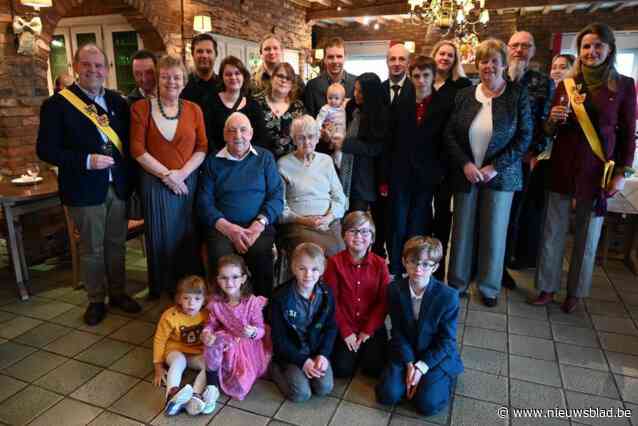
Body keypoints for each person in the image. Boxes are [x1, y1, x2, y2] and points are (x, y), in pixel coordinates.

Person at [531, 23, 636, 313]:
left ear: (610, 49)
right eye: (586, 47)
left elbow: (628, 134)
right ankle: (547, 287)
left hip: (596, 171)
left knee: (587, 235)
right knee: (552, 232)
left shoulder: (624, 85)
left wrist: (621, 174)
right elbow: (548, 132)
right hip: (563, 166)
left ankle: (576, 291)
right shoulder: (567, 84)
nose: (591, 52)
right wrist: (552, 120)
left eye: (597, 46)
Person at [37, 43, 141, 326]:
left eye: (98, 65)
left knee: (116, 245)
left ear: (106, 70)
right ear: (75, 67)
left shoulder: (118, 102)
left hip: (117, 187)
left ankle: (118, 293)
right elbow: (46, 150)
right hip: (84, 189)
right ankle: (96, 299)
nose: (93, 70)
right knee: (92, 249)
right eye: (87, 65)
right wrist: (85, 160)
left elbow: (129, 146)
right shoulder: (57, 105)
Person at [444, 38, 532, 307]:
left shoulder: (517, 94)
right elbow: (449, 134)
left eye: (495, 61)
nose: (489, 66)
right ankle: (457, 283)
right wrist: (465, 164)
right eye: (484, 60)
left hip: (501, 177)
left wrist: (495, 167)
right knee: (461, 231)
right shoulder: (464, 95)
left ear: (504, 64)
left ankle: (488, 287)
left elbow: (525, 136)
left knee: (494, 233)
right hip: (468, 174)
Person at [130, 54, 207, 299]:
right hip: (155, 184)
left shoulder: (194, 110)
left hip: (188, 182)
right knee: (161, 237)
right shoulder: (140, 108)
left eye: (176, 77)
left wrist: (182, 174)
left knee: (187, 235)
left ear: (184, 81)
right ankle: (163, 289)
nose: (171, 82)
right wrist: (167, 176)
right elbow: (137, 150)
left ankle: (190, 291)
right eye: (165, 76)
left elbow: (203, 147)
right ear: (157, 79)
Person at [197, 112, 284, 299]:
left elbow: (277, 196)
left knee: (261, 255)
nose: (238, 136)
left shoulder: (265, 158)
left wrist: (258, 225)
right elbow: (204, 203)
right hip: (222, 227)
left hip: (257, 226)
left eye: (243, 130)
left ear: (251, 133)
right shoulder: (213, 161)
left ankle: (262, 311)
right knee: (221, 259)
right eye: (232, 131)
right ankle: (223, 312)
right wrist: (228, 229)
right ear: (224, 135)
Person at [375, 236, 463, 416]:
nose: (418, 269)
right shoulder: (394, 289)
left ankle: (440, 378)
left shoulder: (448, 297)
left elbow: (446, 341)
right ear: (404, 262)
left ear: (435, 267)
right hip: (406, 349)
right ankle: (412, 379)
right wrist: (409, 364)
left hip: (434, 353)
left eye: (426, 264)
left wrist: (421, 367)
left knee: (427, 405)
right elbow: (397, 331)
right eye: (413, 262)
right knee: (387, 395)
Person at [386, 55, 448, 279]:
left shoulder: (442, 104)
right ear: (410, 77)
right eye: (416, 76)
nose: (421, 80)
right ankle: (395, 267)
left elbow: (445, 141)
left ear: (433, 76)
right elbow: (391, 140)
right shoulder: (402, 102)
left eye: (425, 75)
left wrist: (438, 172)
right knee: (397, 222)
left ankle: (416, 267)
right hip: (401, 173)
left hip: (427, 175)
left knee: (418, 222)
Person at [502, 31, 554, 289]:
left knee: (512, 215)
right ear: (507, 48)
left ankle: (501, 267)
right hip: (491, 160)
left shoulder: (544, 83)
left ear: (533, 50)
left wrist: (533, 152)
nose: (520, 50)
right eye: (515, 45)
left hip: (522, 161)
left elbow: (547, 125)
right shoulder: (496, 75)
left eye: (526, 46)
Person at [323, 211, 390, 378]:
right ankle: (354, 353)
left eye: (365, 231)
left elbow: (383, 303)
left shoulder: (380, 264)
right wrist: (346, 331)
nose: (359, 236)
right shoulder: (334, 263)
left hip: (371, 326)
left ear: (372, 237)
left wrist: (367, 331)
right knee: (341, 370)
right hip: (344, 324)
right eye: (353, 231)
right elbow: (332, 301)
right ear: (344, 236)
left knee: (374, 369)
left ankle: (363, 352)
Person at [270, 242, 337, 402]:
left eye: (314, 269)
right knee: (301, 394)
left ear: (322, 270)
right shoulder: (280, 297)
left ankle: (305, 372)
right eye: (302, 268)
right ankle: (274, 369)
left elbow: (331, 327)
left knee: (324, 387)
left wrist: (323, 355)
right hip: (290, 354)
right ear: (293, 268)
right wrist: (302, 361)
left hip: (314, 352)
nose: (308, 275)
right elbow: (279, 339)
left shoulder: (327, 294)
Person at [430, 40, 472, 282]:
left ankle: (440, 269)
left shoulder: (462, 86)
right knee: (424, 211)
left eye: (450, 55)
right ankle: (422, 261)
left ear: (456, 60)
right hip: (425, 157)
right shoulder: (423, 81)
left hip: (450, 158)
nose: (445, 58)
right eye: (441, 53)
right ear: (434, 55)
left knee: (443, 215)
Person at [202, 255, 271, 401]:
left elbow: (261, 329)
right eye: (224, 278)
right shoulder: (216, 302)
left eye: (234, 277)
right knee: (213, 344)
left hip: (247, 346)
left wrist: (253, 332)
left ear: (243, 279)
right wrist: (207, 332)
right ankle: (211, 386)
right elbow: (211, 323)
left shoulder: (251, 302)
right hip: (227, 340)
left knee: (241, 385)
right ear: (217, 279)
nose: (229, 282)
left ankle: (218, 378)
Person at [278, 115, 346, 257]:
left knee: (340, 254)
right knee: (313, 254)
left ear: (317, 138)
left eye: (311, 136)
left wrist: (329, 217)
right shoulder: (283, 164)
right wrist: (304, 220)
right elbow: (280, 207)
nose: (307, 142)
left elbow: (340, 198)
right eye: (301, 137)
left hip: (328, 223)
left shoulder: (326, 161)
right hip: (299, 225)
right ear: (294, 139)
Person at [152, 276, 219, 416]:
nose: (191, 303)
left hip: (197, 353)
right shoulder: (170, 315)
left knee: (209, 365)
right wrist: (158, 366)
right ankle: (171, 394)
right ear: (178, 298)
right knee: (178, 361)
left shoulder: (207, 314)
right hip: (175, 350)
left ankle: (195, 396)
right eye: (186, 298)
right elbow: (159, 340)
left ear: (204, 299)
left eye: (197, 299)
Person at [331, 73, 389, 214]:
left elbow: (376, 148)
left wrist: (346, 144)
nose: (356, 94)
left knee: (358, 216)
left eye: (361, 91)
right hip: (348, 169)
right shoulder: (352, 108)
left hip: (366, 176)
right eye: (355, 89)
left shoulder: (380, 114)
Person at [204, 56, 267, 152]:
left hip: (247, 159)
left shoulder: (254, 105)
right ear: (222, 77)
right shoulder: (210, 102)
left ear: (243, 76)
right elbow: (208, 136)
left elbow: (261, 137)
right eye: (228, 74)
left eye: (237, 73)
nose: (233, 77)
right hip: (219, 158)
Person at [255, 62, 306, 159]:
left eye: (288, 78)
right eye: (280, 76)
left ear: (292, 84)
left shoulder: (298, 107)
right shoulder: (256, 104)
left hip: (291, 165)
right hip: (261, 163)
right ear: (272, 78)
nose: (284, 80)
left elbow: (303, 137)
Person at [304, 37, 357, 116]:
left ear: (345, 58)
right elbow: (309, 119)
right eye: (330, 57)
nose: (335, 61)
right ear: (324, 59)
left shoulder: (356, 84)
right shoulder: (312, 86)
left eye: (339, 56)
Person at [181, 32, 219, 109]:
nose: (204, 55)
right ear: (192, 54)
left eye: (209, 51)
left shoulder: (224, 85)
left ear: (216, 55)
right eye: (199, 51)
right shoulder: (183, 85)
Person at [315, 83, 347, 168]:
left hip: (343, 130)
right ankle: (338, 163)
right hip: (333, 131)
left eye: (336, 98)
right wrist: (318, 130)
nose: (333, 101)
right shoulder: (326, 109)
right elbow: (319, 120)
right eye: (330, 98)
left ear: (342, 99)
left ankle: (336, 158)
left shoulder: (344, 107)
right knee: (338, 146)